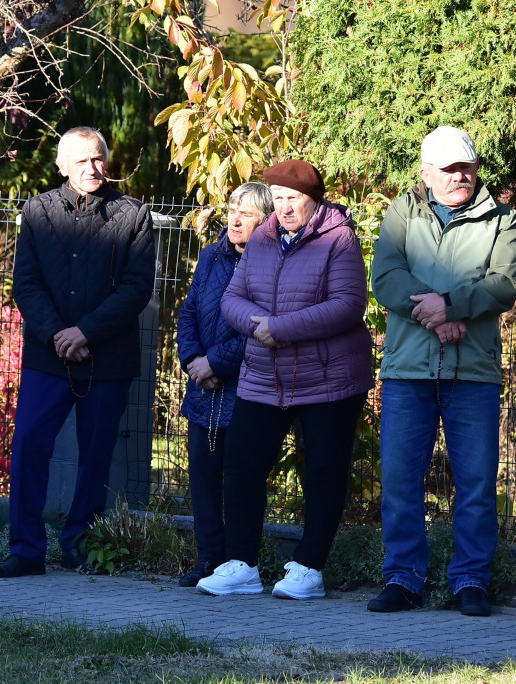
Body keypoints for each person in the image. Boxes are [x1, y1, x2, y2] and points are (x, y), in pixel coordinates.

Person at [196, 159, 374, 600]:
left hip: (328, 378)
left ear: (314, 199)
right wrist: (259, 326)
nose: (285, 207)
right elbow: (232, 298)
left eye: (294, 198)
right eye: (278, 198)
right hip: (264, 373)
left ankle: (309, 568)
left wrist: (280, 328)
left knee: (324, 470)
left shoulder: (339, 238)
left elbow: (348, 305)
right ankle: (241, 565)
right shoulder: (262, 237)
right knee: (242, 462)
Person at [370, 126, 516, 616]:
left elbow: (503, 284)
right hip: (407, 370)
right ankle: (403, 577)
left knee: (476, 483)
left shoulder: (503, 219)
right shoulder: (402, 212)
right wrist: (439, 313)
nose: (461, 176)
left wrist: (451, 306)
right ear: (426, 173)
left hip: (473, 372)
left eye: (468, 167)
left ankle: (472, 580)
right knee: (400, 480)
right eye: (450, 169)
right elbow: (385, 277)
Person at [0, 127, 156, 578]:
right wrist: (58, 334)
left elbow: (137, 288)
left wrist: (85, 332)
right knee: (29, 444)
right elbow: (26, 282)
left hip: (108, 357)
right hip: (48, 356)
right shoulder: (37, 210)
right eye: (80, 161)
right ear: (62, 166)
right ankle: (26, 549)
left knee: (96, 456)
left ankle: (79, 543)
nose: (91, 168)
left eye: (97, 158)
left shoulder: (133, 214)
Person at [176, 182, 273, 587]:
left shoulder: (271, 263)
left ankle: (239, 562)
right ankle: (209, 560)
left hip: (244, 388)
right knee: (202, 475)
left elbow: (260, 329)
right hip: (202, 387)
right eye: (232, 210)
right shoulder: (211, 256)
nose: (234, 219)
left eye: (246, 214)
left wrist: (215, 362)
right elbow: (188, 313)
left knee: (240, 478)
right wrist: (193, 360)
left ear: (265, 220)